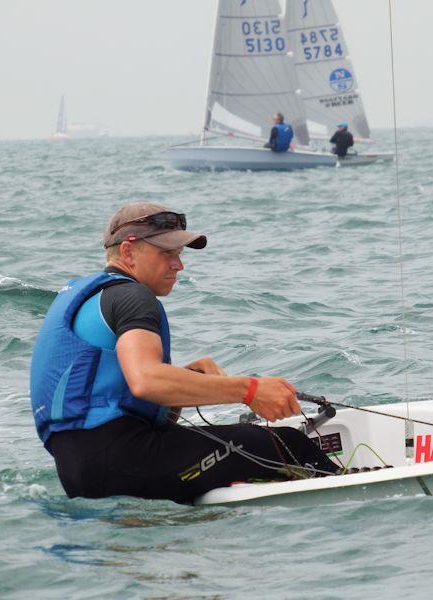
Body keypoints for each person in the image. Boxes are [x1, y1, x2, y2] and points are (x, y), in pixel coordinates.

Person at [30, 202, 338, 504]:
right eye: (166, 254)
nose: (179, 265)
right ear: (127, 252)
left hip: (78, 472)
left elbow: (126, 393)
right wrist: (251, 390)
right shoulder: (132, 298)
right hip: (123, 460)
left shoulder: (94, 298)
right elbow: (146, 381)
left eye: (178, 254)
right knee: (286, 445)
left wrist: (185, 379)